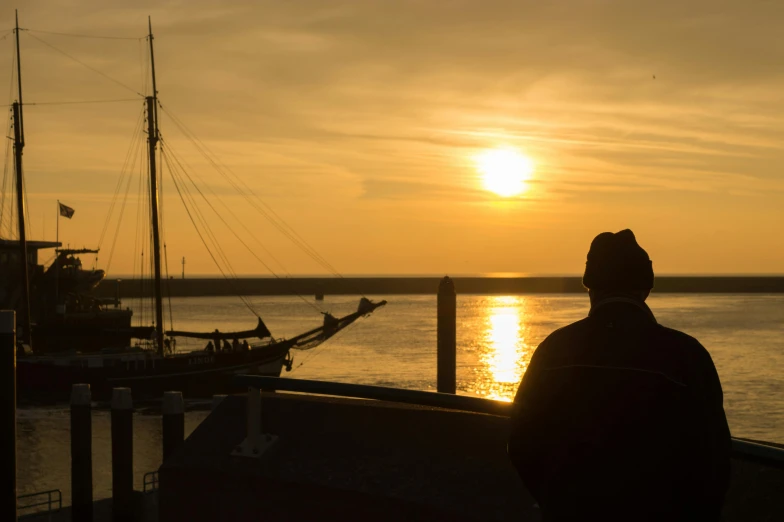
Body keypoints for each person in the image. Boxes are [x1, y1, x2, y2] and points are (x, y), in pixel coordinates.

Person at [508, 229, 731, 522]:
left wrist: (556, 500)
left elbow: (521, 441)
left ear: (590, 287)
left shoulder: (554, 351)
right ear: (646, 288)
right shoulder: (686, 355)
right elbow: (713, 456)